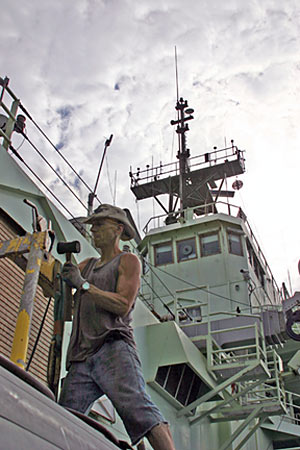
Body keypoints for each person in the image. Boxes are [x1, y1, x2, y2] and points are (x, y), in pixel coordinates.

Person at [59, 204, 175, 450]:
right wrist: (66, 278)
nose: (94, 229)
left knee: (140, 411)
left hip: (113, 349)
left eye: (100, 224)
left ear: (118, 229)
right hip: (82, 357)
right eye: (92, 225)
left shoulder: (128, 261)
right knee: (63, 418)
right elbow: (69, 297)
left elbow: (123, 304)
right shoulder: (87, 265)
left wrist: (84, 285)